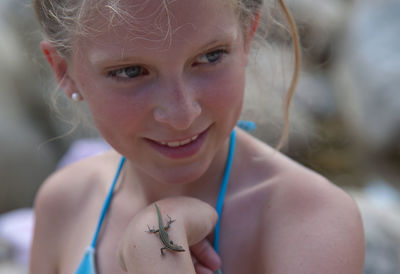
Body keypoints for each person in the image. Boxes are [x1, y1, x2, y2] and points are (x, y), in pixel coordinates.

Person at [29, 0, 365, 273]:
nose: (181, 115)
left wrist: (155, 250)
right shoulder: (65, 203)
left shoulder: (312, 223)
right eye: (130, 71)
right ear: (64, 72)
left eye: (210, 56)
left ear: (248, 37)